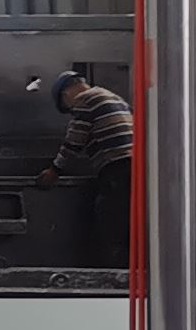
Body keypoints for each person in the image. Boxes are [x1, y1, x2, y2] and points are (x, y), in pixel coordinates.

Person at [42, 66, 136, 262]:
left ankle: (117, 270)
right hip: (137, 165)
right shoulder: (115, 98)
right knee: (130, 219)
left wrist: (55, 170)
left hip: (117, 167)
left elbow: (74, 142)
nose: (71, 111)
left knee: (110, 219)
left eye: (67, 107)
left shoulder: (84, 100)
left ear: (66, 94)